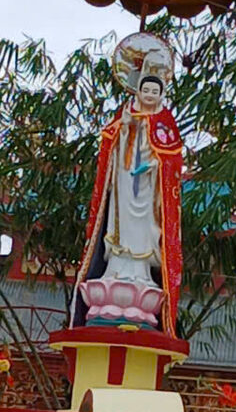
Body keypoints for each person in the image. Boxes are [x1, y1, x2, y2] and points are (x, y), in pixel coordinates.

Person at [73, 72, 183, 335]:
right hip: (124, 184)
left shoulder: (165, 123)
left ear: (161, 95)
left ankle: (141, 275)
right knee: (118, 223)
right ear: (137, 91)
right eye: (145, 89)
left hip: (148, 189)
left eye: (154, 92)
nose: (149, 95)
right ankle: (116, 270)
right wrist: (124, 128)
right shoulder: (122, 118)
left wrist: (155, 164)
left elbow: (173, 160)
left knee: (145, 228)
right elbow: (108, 149)